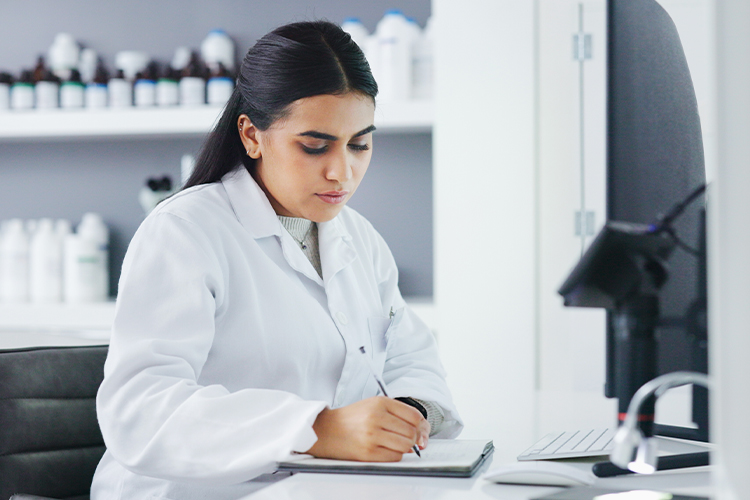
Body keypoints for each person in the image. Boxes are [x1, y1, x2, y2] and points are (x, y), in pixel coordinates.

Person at [91, 20, 462, 500]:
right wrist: (318, 429)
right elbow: (141, 413)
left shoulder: (357, 239)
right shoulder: (184, 232)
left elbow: (410, 354)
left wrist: (409, 410)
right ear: (251, 136)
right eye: (314, 145)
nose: (341, 171)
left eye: (360, 144)